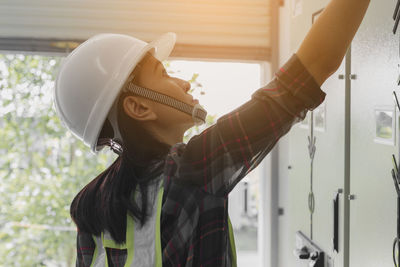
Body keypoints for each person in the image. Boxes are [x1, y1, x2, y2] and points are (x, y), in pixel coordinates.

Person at [53, 0, 371, 266]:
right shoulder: (191, 170)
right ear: (139, 108)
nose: (183, 83)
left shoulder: (90, 204)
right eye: (164, 74)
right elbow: (304, 75)